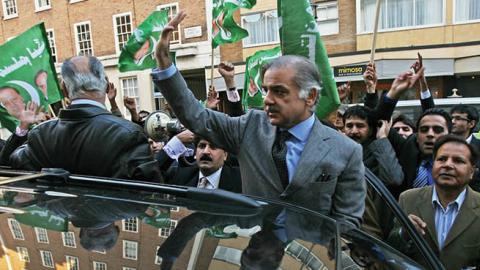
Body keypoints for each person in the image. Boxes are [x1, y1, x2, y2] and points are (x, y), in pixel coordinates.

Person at [152, 12, 365, 228]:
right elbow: (195, 117)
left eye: (279, 92)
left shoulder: (346, 150)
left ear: (310, 96)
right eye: (265, 91)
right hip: (253, 251)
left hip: (307, 258)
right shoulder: (249, 127)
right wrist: (164, 63)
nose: (268, 100)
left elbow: (346, 224)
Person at [9, 55, 163, 182]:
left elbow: (14, 161)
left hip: (64, 215)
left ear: (64, 89)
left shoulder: (41, 134)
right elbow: (152, 196)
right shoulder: (131, 134)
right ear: (105, 85)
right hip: (112, 217)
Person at [389, 135, 480, 269]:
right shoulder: (408, 199)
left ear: (472, 171)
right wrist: (404, 233)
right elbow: (391, 247)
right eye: (441, 159)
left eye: (458, 160)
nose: (448, 165)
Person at [158, 133, 242, 193]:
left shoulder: (240, 180)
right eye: (202, 146)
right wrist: (177, 140)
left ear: (225, 155)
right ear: (195, 152)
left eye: (213, 147)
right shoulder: (182, 177)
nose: (205, 152)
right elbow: (152, 174)